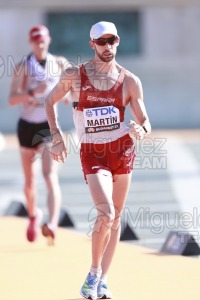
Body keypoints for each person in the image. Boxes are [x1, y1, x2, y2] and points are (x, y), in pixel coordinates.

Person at [44, 21, 151, 299]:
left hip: (123, 150)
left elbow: (145, 120)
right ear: (92, 44)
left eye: (112, 40)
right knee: (106, 213)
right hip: (92, 151)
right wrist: (56, 136)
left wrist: (142, 129)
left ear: (117, 41)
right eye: (101, 42)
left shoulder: (129, 81)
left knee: (116, 219)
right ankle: (92, 274)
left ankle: (103, 279)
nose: (108, 46)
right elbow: (49, 101)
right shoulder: (75, 76)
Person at [9, 25, 70, 244]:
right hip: (27, 126)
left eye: (43, 40)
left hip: (47, 126)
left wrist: (67, 95)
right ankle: (34, 216)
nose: (40, 44)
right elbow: (12, 99)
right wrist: (33, 93)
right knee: (29, 182)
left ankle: (52, 224)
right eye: (36, 41)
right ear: (31, 43)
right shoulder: (23, 67)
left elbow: (73, 89)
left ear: (49, 40)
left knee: (49, 175)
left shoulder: (60, 63)